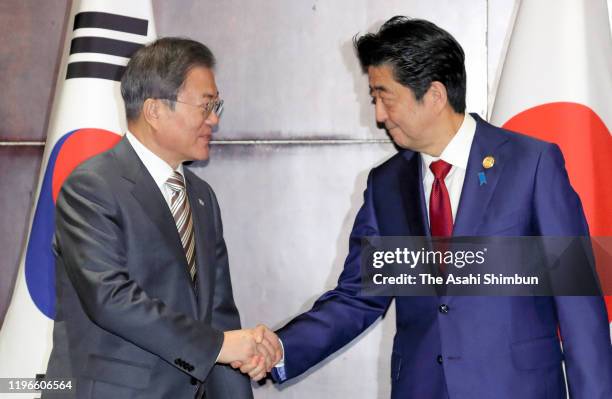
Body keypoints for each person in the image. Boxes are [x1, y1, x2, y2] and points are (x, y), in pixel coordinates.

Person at [242, 17, 612, 398]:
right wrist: (280, 349)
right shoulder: (387, 184)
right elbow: (358, 298)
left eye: (386, 97)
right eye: (374, 99)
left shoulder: (530, 165)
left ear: (434, 95)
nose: (378, 116)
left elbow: (578, 304)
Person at [43, 38, 281, 399]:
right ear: (154, 110)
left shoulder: (201, 197)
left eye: (216, 105)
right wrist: (219, 346)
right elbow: (111, 298)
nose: (214, 119)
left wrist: (233, 353)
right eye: (206, 105)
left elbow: (218, 314)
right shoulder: (92, 186)